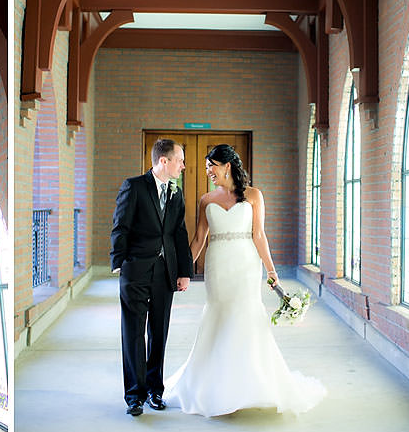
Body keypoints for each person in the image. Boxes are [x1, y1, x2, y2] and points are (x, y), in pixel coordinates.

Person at [162, 144, 326, 417]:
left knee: (246, 316)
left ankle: (252, 386)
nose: (208, 172)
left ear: (227, 165)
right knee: (219, 314)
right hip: (218, 265)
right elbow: (200, 239)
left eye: (212, 166)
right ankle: (214, 385)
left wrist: (272, 271)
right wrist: (183, 270)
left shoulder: (253, 196)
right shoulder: (206, 200)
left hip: (246, 265)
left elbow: (259, 235)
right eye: (206, 168)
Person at [111, 138, 193, 417]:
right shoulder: (133, 186)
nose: (184, 166)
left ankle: (155, 392)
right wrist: (119, 263)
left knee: (159, 332)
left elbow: (178, 233)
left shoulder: (176, 193)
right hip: (135, 268)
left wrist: (184, 271)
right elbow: (120, 225)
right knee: (133, 331)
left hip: (165, 271)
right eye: (180, 160)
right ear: (164, 161)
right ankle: (135, 395)